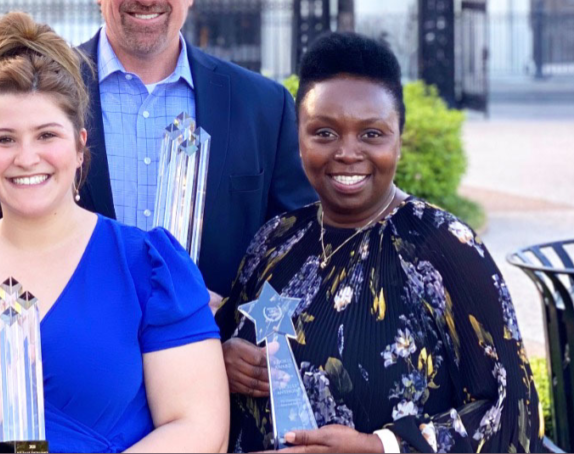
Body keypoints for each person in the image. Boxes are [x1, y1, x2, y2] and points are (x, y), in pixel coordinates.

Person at [0, 12, 228, 453]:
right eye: (4, 140)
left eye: (46, 135)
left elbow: (200, 428)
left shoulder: (149, 270)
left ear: (79, 146)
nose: (27, 157)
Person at [0, 0, 316, 303]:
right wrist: (38, 320)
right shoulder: (30, 93)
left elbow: (297, 249)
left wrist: (241, 330)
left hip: (215, 358)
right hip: (66, 358)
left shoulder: (263, 107)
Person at [215, 32, 543, 453]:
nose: (347, 152)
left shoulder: (446, 249)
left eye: (371, 134)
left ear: (399, 141)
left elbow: (514, 411)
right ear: (300, 139)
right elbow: (205, 355)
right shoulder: (274, 243)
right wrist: (221, 359)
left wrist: (380, 447)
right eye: (324, 133)